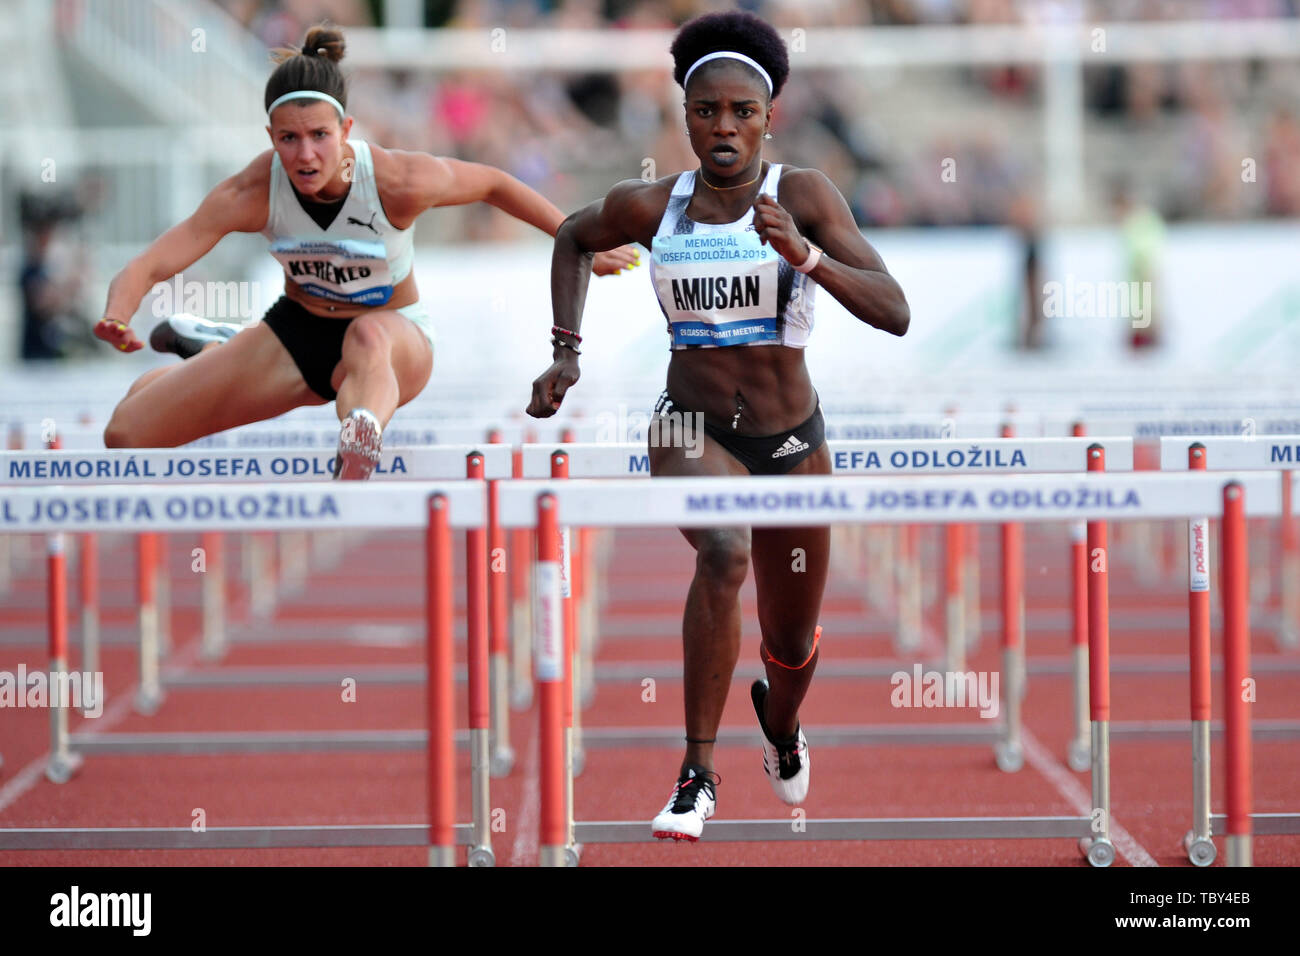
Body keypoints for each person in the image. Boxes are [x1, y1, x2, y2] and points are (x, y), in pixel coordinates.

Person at [527, 11, 909, 841]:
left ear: (770, 116)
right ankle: (697, 774)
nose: (724, 127)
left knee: (792, 643)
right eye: (706, 112)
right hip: (685, 426)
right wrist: (566, 352)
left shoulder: (803, 196)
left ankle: (779, 724)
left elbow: (896, 311)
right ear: (686, 116)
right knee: (725, 551)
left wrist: (807, 256)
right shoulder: (652, 205)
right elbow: (569, 235)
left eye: (741, 111)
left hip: (793, 442)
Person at [96, 24, 636, 477]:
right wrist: (117, 314)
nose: (305, 155)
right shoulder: (253, 191)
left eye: (319, 136)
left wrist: (579, 237)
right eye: (288, 139)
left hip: (395, 335)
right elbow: (152, 262)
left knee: (366, 334)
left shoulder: (396, 180)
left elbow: (495, 183)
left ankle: (361, 438)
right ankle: (216, 352)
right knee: (126, 434)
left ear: (346, 130)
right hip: (297, 335)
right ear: (270, 136)